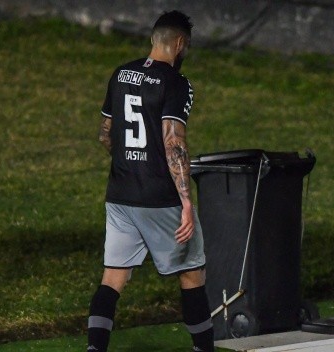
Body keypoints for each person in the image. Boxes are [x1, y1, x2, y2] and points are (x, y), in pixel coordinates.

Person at [87, 10, 214, 352]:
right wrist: (186, 202)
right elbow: (174, 141)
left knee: (113, 278)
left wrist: (129, 163)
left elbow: (105, 134)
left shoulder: (121, 73)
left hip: (120, 194)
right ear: (180, 43)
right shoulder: (177, 83)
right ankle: (204, 349)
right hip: (160, 198)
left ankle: (94, 349)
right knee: (192, 273)